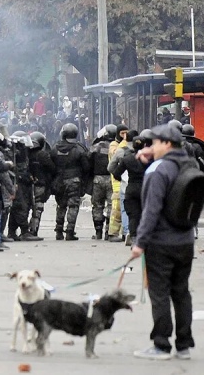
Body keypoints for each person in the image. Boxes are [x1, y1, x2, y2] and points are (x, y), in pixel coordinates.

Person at [131, 124, 196, 360]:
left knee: (159, 294)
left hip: (160, 243)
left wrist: (140, 242)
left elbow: (151, 210)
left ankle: (161, 345)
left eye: (155, 143)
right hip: (185, 240)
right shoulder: (190, 164)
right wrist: (150, 158)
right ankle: (184, 345)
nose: (151, 146)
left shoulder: (157, 170)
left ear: (166, 144)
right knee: (181, 292)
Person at [50, 123, 90, 240]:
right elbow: (86, 167)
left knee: (61, 205)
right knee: (73, 206)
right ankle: (70, 231)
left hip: (59, 180)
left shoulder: (55, 148)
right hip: (74, 181)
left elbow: (50, 164)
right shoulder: (79, 149)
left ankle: (58, 230)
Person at [27, 131, 55, 239]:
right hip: (40, 185)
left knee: (24, 208)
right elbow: (52, 168)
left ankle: (22, 230)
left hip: (27, 185)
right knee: (37, 208)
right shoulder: (43, 155)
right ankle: (33, 230)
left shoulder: (26, 154)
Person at [90, 125, 115, 239]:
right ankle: (108, 232)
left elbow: (88, 161)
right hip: (112, 179)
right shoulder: (116, 147)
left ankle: (98, 231)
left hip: (98, 179)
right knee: (111, 205)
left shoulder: (96, 147)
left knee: (97, 205)